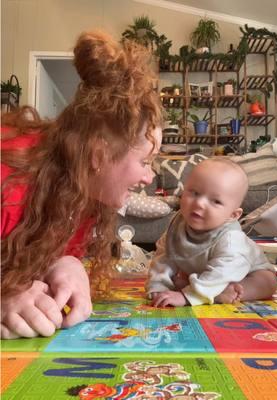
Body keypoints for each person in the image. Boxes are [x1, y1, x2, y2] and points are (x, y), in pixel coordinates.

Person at [1, 29, 162, 339]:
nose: (149, 178)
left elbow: (37, 254)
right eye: (145, 162)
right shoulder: (9, 182)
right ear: (99, 154)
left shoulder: (83, 193)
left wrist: (65, 264)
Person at [146, 158, 277, 307]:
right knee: (180, 278)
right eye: (194, 193)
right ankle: (210, 291)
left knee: (266, 283)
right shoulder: (177, 225)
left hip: (246, 272)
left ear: (232, 215)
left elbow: (223, 271)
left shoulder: (230, 238)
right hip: (203, 273)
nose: (199, 203)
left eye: (215, 201)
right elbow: (164, 256)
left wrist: (186, 296)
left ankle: (222, 293)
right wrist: (158, 285)